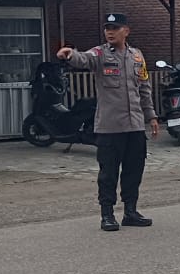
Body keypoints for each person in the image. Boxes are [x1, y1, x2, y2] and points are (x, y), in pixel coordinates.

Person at [58, 13, 161, 232]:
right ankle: (107, 214)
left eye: (115, 28)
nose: (110, 32)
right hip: (109, 128)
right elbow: (84, 59)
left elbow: (144, 88)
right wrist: (69, 55)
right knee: (108, 173)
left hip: (134, 127)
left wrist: (150, 116)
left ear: (126, 31)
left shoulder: (137, 56)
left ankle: (131, 211)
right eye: (107, 28)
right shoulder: (100, 53)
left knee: (134, 171)